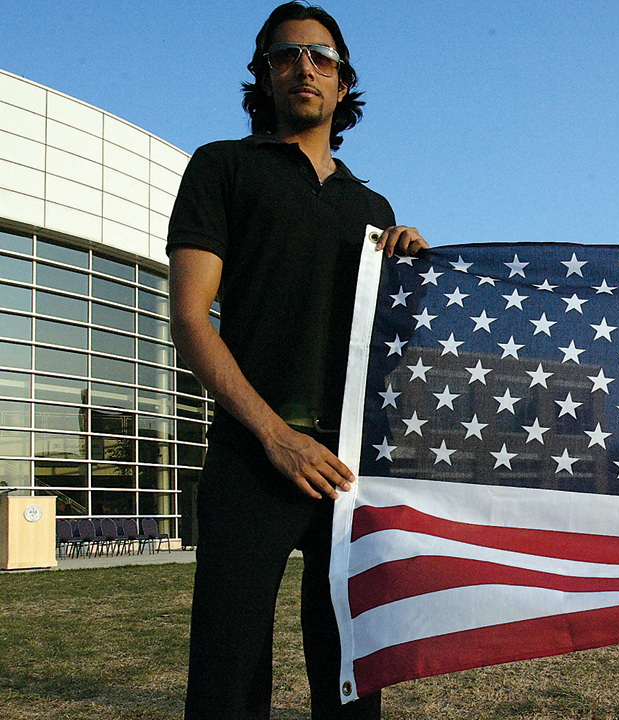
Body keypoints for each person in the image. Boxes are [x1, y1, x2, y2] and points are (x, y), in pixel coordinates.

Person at [166, 3, 428, 717]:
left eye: (321, 56)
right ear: (265, 76)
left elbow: (391, 355)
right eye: (287, 56)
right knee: (226, 681)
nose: (305, 67)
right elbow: (191, 320)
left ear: (344, 84)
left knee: (351, 682)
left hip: (348, 471)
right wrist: (276, 437)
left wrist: (410, 277)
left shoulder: (372, 207)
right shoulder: (222, 167)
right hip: (253, 455)